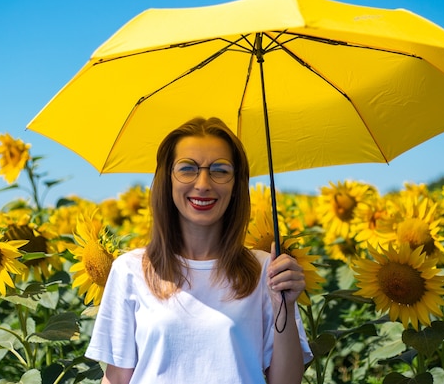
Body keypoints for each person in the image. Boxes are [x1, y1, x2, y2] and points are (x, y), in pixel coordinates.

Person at [85, 116, 312, 384]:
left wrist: (283, 304)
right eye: (187, 168)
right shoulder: (131, 270)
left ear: (236, 184)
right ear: (167, 180)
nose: (203, 183)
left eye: (220, 170)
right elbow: (117, 380)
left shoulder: (266, 271)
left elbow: (286, 382)